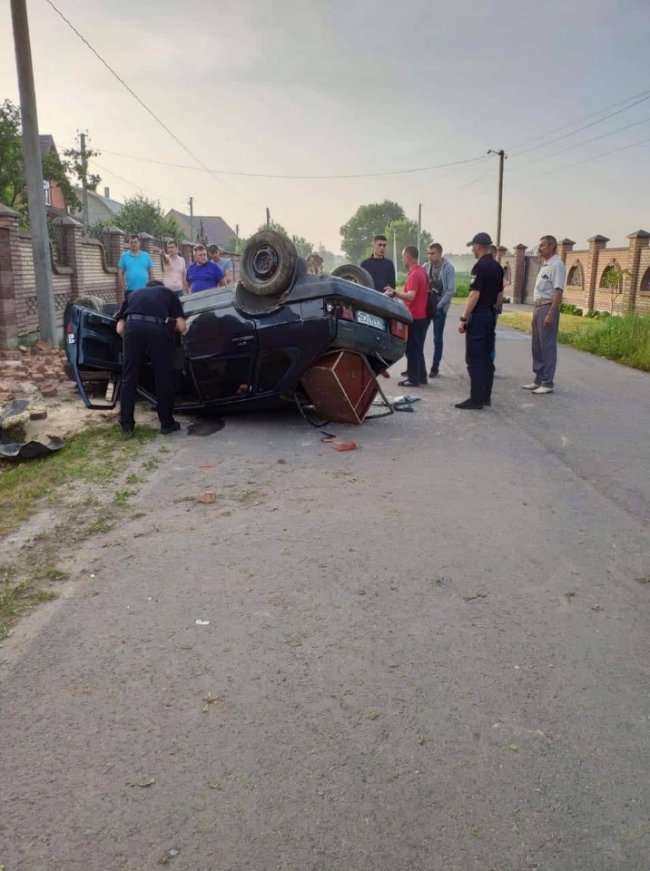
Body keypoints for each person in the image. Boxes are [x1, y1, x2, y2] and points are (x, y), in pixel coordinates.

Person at [115, 280, 186, 436]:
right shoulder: (170, 294)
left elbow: (120, 329)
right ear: (161, 287)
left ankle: (127, 426)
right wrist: (166, 326)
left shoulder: (133, 294)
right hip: (157, 329)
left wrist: (137, 345)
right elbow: (181, 327)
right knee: (163, 376)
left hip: (132, 328)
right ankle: (167, 424)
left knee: (129, 377)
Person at [455, 232, 503, 409]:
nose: (472, 250)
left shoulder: (479, 267)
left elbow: (474, 295)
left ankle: (475, 399)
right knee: (487, 358)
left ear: (479, 246)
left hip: (479, 316)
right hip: (491, 315)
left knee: (474, 359)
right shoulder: (498, 268)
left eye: (473, 247)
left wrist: (463, 318)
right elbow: (499, 295)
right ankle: (485, 397)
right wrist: (494, 313)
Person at [522, 235, 565, 394]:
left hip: (547, 307)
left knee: (547, 346)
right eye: (539, 245)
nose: (540, 248)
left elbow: (558, 291)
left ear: (552, 247)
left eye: (543, 246)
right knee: (537, 345)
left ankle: (547, 382)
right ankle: (538, 378)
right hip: (538, 307)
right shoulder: (545, 264)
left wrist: (551, 314)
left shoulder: (557, 265)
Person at [385, 246, 429, 387]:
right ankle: (421, 376)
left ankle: (413, 379)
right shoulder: (422, 271)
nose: (402, 259)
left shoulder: (415, 274)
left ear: (409, 257)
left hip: (414, 317)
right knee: (418, 348)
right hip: (422, 316)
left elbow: (410, 296)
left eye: (403, 256)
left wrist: (395, 293)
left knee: (411, 349)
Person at [423, 243, 456, 377]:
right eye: (429, 253)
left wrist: (439, 306)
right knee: (419, 336)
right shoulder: (426, 267)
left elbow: (451, 290)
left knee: (437, 338)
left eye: (433, 253)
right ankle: (416, 366)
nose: (430, 256)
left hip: (439, 308)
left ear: (440, 253)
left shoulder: (448, 268)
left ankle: (435, 366)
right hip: (426, 307)